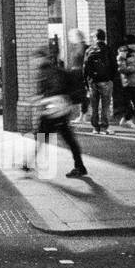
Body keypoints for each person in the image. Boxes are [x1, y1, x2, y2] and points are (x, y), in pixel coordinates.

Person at [34, 45, 88, 178]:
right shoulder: (51, 70)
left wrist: (43, 100)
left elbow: (54, 89)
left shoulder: (48, 71)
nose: (34, 61)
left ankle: (30, 163)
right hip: (58, 109)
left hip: (54, 110)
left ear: (42, 58)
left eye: (36, 58)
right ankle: (80, 166)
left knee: (44, 137)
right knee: (66, 138)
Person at [82, 29, 117, 135]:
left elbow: (84, 68)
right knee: (105, 106)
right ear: (104, 37)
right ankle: (104, 128)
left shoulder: (89, 50)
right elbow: (114, 65)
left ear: (95, 38)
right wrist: (111, 78)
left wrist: (86, 82)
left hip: (92, 82)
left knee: (94, 106)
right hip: (106, 81)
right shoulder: (108, 49)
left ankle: (95, 128)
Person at [66, 28, 89, 124]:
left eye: (71, 36)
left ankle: (81, 116)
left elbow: (83, 61)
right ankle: (81, 116)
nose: (70, 38)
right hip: (76, 73)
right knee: (82, 96)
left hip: (79, 74)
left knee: (80, 95)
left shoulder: (82, 47)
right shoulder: (77, 47)